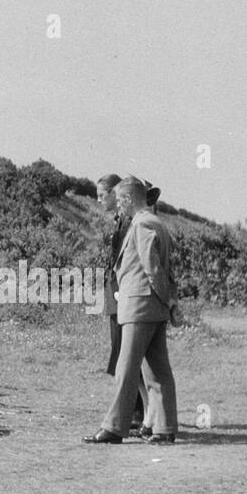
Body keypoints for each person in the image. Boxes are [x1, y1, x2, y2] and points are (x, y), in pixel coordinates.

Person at [84, 176, 179, 445]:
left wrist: (168, 301)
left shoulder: (142, 224)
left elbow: (153, 269)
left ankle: (114, 428)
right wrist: (168, 302)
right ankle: (164, 428)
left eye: (121, 201)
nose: (119, 207)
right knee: (158, 371)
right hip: (152, 307)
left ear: (126, 199)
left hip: (140, 307)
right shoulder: (156, 222)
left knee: (126, 369)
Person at [90, 174, 146, 429]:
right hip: (117, 292)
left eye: (102, 195)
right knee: (121, 352)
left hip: (124, 293)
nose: (99, 200)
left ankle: (136, 413)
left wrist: (119, 289)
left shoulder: (129, 221)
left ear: (116, 193)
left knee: (127, 354)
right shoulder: (122, 220)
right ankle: (136, 412)